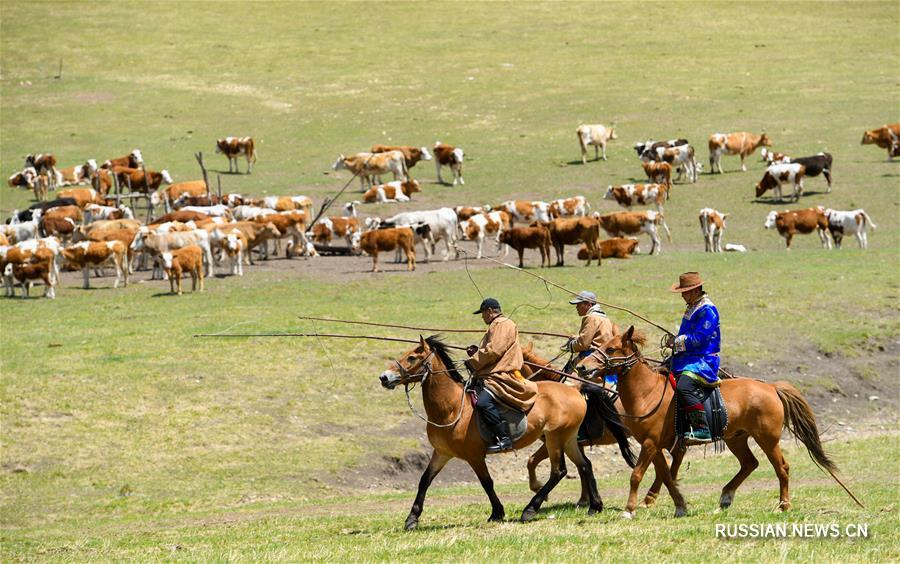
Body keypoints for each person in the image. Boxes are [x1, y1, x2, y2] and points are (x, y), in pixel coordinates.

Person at [466, 297, 537, 454]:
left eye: (483, 313)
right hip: (492, 373)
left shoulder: (503, 324)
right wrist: (476, 353)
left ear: (490, 311)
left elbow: (494, 351)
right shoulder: (497, 325)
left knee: (482, 403)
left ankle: (504, 438)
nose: (482, 317)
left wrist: (473, 361)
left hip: (501, 375)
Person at [665, 272, 720, 443]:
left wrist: (677, 342)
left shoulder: (707, 310)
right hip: (687, 357)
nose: (682, 295)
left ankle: (701, 428)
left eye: (685, 291)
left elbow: (699, 338)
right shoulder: (693, 306)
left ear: (696, 290)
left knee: (684, 387)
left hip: (703, 360)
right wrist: (675, 340)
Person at [561, 290, 617, 386]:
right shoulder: (605, 318)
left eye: (579, 304)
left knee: (566, 381)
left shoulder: (591, 318)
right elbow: (597, 337)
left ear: (588, 304)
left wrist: (570, 345)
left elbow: (582, 344)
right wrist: (577, 337)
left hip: (590, 357)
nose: (576, 307)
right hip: (604, 358)